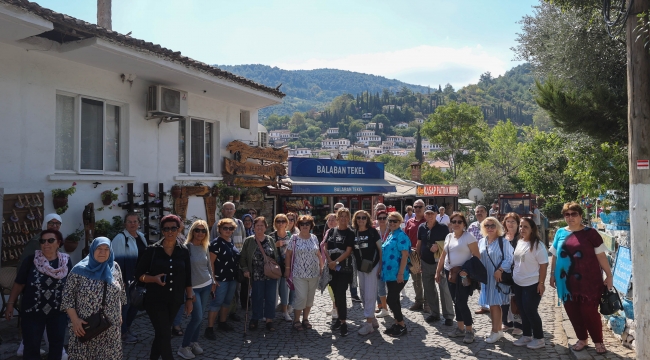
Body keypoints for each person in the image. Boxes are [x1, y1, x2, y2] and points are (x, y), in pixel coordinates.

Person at [550, 202, 613, 355]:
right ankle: (582, 339)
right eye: (567, 214)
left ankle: (598, 341)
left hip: (589, 282)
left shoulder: (590, 233)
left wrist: (609, 275)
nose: (570, 217)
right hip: (566, 282)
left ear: (580, 215)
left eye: (574, 214)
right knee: (572, 311)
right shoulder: (559, 233)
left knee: (589, 312)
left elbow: (601, 256)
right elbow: (555, 255)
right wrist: (552, 274)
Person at [6, 229, 71, 360]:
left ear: (58, 243)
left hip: (58, 311)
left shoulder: (66, 262)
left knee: (56, 346)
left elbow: (70, 286)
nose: (46, 244)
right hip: (32, 312)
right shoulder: (31, 260)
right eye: (43, 241)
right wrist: (10, 303)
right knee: (31, 346)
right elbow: (19, 284)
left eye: (50, 240)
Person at [136, 214, 193, 360]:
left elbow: (188, 277)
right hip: (155, 300)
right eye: (166, 229)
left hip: (175, 300)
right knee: (165, 333)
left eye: (173, 228)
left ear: (178, 229)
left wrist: (189, 299)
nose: (170, 231)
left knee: (162, 333)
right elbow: (138, 275)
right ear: (162, 231)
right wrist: (153, 279)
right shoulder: (152, 250)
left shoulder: (184, 251)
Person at [61, 237, 126, 360]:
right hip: (86, 327)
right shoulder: (78, 270)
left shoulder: (115, 267)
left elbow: (121, 293)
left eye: (106, 249)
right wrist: (75, 320)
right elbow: (67, 297)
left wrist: (120, 315)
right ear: (92, 250)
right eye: (99, 248)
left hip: (110, 328)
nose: (103, 252)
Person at [436, 213, 481, 344]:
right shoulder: (449, 236)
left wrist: (466, 270)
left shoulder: (469, 237)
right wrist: (438, 272)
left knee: (462, 302)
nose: (456, 224)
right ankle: (460, 328)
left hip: (463, 275)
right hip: (450, 273)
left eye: (459, 222)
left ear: (464, 224)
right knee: (456, 301)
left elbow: (477, 257)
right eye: (453, 221)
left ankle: (469, 330)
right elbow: (443, 256)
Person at [177, 220, 214, 359]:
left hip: (206, 285)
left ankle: (193, 342)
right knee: (196, 317)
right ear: (192, 231)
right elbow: (183, 272)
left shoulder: (205, 246)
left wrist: (213, 280)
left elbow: (208, 265)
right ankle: (183, 346)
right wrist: (189, 292)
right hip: (193, 288)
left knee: (200, 317)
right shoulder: (186, 248)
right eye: (197, 230)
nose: (200, 233)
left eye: (203, 230)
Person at [512, 218, 549, 349]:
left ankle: (539, 338)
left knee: (531, 310)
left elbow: (544, 265)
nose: (522, 229)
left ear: (532, 229)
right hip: (518, 283)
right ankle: (526, 335)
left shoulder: (538, 245)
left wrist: (541, 283)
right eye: (521, 226)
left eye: (525, 226)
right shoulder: (520, 241)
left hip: (532, 283)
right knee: (522, 310)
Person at [112, 212, 148, 344]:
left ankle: (127, 328)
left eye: (135, 221)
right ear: (125, 224)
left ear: (139, 223)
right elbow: (116, 262)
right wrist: (121, 281)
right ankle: (122, 333)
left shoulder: (142, 237)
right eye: (129, 221)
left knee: (136, 305)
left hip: (140, 278)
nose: (133, 224)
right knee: (125, 307)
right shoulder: (120, 238)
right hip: (126, 280)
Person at [477, 217, 513, 344]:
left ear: (497, 227)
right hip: (486, 279)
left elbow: (509, 258)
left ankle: (495, 331)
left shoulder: (503, 242)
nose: (490, 228)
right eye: (487, 226)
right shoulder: (482, 241)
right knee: (493, 305)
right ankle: (498, 330)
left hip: (497, 278)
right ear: (483, 228)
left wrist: (501, 270)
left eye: (492, 225)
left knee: (494, 305)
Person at [240, 217, 280, 331]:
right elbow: (243, 257)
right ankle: (255, 318)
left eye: (262, 226)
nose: (259, 228)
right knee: (257, 297)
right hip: (256, 274)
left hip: (270, 274)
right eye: (257, 225)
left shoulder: (270, 240)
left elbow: (275, 256)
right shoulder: (249, 240)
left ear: (266, 227)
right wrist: (245, 269)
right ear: (254, 227)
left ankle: (269, 320)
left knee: (271, 298)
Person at [417, 205, 454, 326]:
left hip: (440, 262)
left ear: (436, 214)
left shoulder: (443, 228)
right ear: (425, 215)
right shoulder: (421, 227)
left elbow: (450, 243)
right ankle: (434, 313)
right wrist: (418, 259)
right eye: (427, 213)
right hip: (425, 262)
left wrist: (438, 246)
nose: (430, 216)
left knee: (444, 289)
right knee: (429, 289)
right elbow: (419, 244)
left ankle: (448, 315)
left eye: (432, 213)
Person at [204, 218, 240, 339]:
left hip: (232, 277)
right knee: (216, 302)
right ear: (219, 229)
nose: (228, 230)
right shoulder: (215, 243)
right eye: (225, 228)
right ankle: (209, 328)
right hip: (220, 279)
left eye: (231, 228)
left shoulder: (231, 241)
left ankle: (222, 323)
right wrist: (213, 279)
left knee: (227, 302)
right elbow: (211, 263)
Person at [286, 215, 323, 331]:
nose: (305, 226)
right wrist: (287, 268)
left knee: (309, 298)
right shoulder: (294, 238)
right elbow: (288, 254)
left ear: (311, 226)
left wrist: (321, 267)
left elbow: (318, 253)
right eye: (302, 224)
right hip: (299, 273)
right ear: (299, 226)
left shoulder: (314, 238)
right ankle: (296, 320)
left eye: (307, 224)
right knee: (301, 297)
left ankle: (305, 319)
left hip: (314, 273)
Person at [211, 202, 245, 320]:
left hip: (235, 264)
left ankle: (232, 312)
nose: (229, 211)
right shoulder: (217, 224)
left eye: (231, 209)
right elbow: (212, 244)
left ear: (234, 211)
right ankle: (218, 318)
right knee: (220, 296)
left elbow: (244, 240)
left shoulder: (240, 223)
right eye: (227, 209)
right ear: (223, 211)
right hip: (221, 268)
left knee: (235, 291)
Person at [324, 208, 355, 336]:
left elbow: (348, 251)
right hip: (332, 269)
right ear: (337, 218)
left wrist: (335, 262)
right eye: (340, 216)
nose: (343, 218)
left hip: (344, 268)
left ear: (348, 218)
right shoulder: (331, 231)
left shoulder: (350, 233)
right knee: (335, 294)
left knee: (341, 294)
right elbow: (325, 246)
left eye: (345, 216)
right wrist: (329, 260)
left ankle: (343, 322)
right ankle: (338, 318)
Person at [351, 210, 382, 335]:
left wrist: (380, 266)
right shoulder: (354, 233)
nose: (361, 220)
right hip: (360, 267)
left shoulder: (373, 232)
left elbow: (380, 249)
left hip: (372, 266)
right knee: (363, 293)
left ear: (367, 219)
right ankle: (372, 319)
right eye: (358, 217)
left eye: (364, 217)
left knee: (370, 294)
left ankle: (368, 324)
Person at [381, 211, 411, 337]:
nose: (392, 223)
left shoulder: (401, 236)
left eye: (395, 221)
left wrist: (400, 273)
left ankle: (402, 325)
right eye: (390, 221)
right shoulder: (390, 235)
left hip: (399, 274)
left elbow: (405, 256)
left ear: (400, 222)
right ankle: (397, 323)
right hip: (389, 274)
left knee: (391, 300)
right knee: (395, 299)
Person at [501, 213, 523, 335]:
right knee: (504, 298)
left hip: (517, 271)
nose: (510, 224)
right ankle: (506, 322)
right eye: (508, 221)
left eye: (513, 221)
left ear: (518, 223)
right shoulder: (502, 237)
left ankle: (519, 324)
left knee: (516, 298)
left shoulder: (521, 237)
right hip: (504, 271)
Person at [404, 199, 427, 311]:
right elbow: (406, 238)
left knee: (427, 280)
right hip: (413, 255)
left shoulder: (428, 220)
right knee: (416, 280)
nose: (417, 209)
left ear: (424, 208)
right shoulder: (410, 222)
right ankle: (419, 302)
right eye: (415, 206)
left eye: (420, 206)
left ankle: (428, 303)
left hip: (426, 255)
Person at [271, 213, 294, 322]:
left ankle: (285, 312)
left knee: (285, 290)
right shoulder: (271, 236)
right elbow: (266, 252)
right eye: (278, 221)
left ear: (286, 223)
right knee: (273, 290)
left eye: (283, 221)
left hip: (287, 266)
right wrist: (274, 245)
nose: (280, 223)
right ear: (275, 223)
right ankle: (270, 312)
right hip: (275, 267)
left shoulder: (290, 235)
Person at [468, 205, 490, 315]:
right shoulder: (472, 226)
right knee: (479, 282)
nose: (479, 213)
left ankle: (493, 304)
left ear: (486, 213)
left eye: (482, 211)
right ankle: (484, 305)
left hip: (489, 258)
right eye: (477, 211)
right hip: (476, 258)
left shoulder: (491, 225)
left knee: (490, 281)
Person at [320, 213, 339, 318]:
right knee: (330, 286)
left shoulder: (338, 232)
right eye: (329, 220)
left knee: (335, 286)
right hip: (326, 262)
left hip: (334, 263)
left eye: (333, 220)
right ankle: (334, 307)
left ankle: (337, 309)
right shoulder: (328, 231)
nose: (330, 222)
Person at [375, 210, 390, 318]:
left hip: (390, 262)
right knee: (380, 286)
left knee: (391, 287)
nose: (382, 220)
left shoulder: (391, 231)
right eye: (380, 218)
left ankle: (392, 306)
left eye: (384, 218)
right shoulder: (375, 232)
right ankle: (384, 308)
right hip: (378, 262)